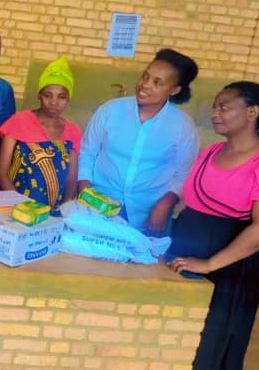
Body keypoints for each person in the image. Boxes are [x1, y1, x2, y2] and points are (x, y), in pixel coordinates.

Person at [165, 82, 259, 370]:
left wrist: (210, 264)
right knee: (182, 331)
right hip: (188, 248)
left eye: (225, 107)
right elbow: (190, 203)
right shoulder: (209, 152)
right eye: (215, 107)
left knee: (212, 337)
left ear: (252, 113)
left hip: (229, 260)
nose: (215, 113)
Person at [78, 48, 201, 235]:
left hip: (148, 214)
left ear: (175, 90)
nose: (145, 85)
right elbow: (88, 152)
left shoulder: (183, 126)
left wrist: (164, 205)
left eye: (157, 83)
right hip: (98, 204)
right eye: (145, 77)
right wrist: (84, 191)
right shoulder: (110, 110)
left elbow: (184, 173)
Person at [0, 55, 81, 208]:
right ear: (39, 96)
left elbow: (70, 180)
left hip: (54, 213)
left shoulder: (72, 131)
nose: (54, 102)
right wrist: (22, 206)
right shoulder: (19, 121)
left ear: (68, 100)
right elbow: (1, 174)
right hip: (16, 209)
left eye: (61, 97)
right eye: (47, 95)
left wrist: (65, 208)